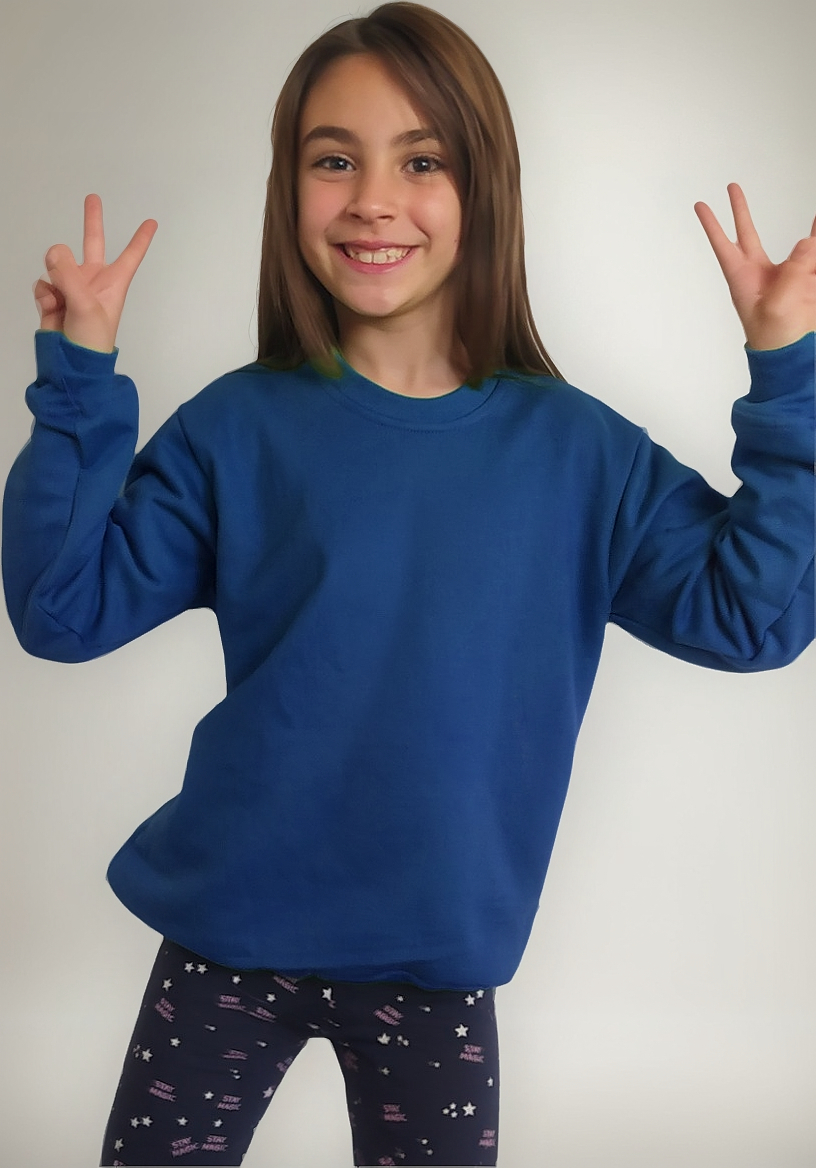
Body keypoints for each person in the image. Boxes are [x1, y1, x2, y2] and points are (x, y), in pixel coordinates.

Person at [2, 2, 814, 1165]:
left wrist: (789, 375)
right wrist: (79, 380)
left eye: (421, 161)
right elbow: (60, 609)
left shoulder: (578, 454)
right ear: (289, 189)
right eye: (334, 160)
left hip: (433, 966)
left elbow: (754, 617)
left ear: (485, 189)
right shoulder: (240, 429)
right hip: (228, 936)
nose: (373, 199)